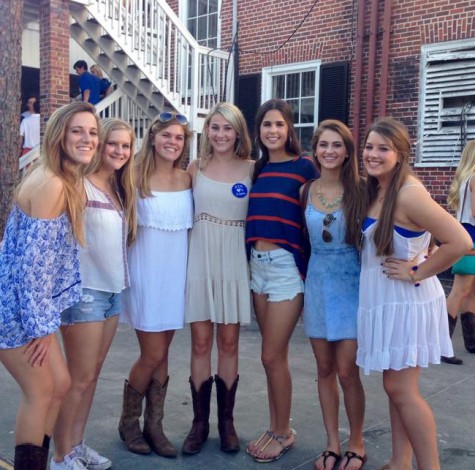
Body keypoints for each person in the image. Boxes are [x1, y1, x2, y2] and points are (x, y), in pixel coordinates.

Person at [357, 117, 472, 470]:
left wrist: (416, 271)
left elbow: (462, 241)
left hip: (407, 301)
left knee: (401, 389)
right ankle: (400, 461)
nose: (373, 154)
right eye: (370, 146)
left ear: (401, 154)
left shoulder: (408, 192)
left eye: (383, 149)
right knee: (396, 388)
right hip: (386, 300)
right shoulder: (378, 188)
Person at [0, 101, 99, 469]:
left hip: (30, 308)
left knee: (59, 384)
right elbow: (32, 268)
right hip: (16, 311)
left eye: (92, 132)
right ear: (59, 136)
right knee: (40, 391)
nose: (87, 139)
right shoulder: (53, 185)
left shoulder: (64, 181)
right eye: (77, 131)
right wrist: (41, 328)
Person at [51, 119, 137, 470]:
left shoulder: (119, 188)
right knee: (78, 378)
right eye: (112, 144)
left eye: (126, 146)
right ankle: (60, 456)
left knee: (92, 375)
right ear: (101, 146)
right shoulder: (78, 185)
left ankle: (77, 445)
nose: (119, 151)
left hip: (112, 292)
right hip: (84, 292)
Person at [245, 99, 317, 463]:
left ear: (289, 128)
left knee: (270, 354)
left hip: (287, 266)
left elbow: (332, 199)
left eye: (279, 124)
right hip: (256, 266)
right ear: (258, 131)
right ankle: (276, 426)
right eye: (265, 125)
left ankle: (282, 432)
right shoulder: (257, 170)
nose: (272, 131)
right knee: (275, 358)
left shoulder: (305, 167)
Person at [119, 112, 193, 458]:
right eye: (166, 136)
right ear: (152, 137)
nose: (172, 143)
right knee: (152, 353)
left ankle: (155, 426)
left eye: (178, 138)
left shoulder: (187, 178)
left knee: (163, 353)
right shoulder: (133, 175)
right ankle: (129, 422)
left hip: (175, 275)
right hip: (145, 272)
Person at [182, 102, 253, 456]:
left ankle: (227, 422)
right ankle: (199, 423)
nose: (221, 134)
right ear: (206, 131)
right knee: (199, 343)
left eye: (228, 128)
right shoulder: (196, 167)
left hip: (234, 260)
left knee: (228, 344)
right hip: (201, 258)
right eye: (215, 127)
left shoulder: (253, 168)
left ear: (238, 132)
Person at [302, 120, 367, 470]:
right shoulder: (305, 191)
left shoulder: (361, 189)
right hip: (317, 282)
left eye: (337, 145)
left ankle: (356, 443)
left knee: (347, 371)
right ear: (315, 150)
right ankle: (331, 443)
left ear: (347, 151)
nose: (329, 151)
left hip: (351, 285)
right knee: (324, 368)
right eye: (323, 145)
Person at [442, 140, 475, 364]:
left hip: (465, 233)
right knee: (459, 291)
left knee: (468, 292)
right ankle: (442, 346)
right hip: (472, 236)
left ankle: (471, 342)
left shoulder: (465, 179)